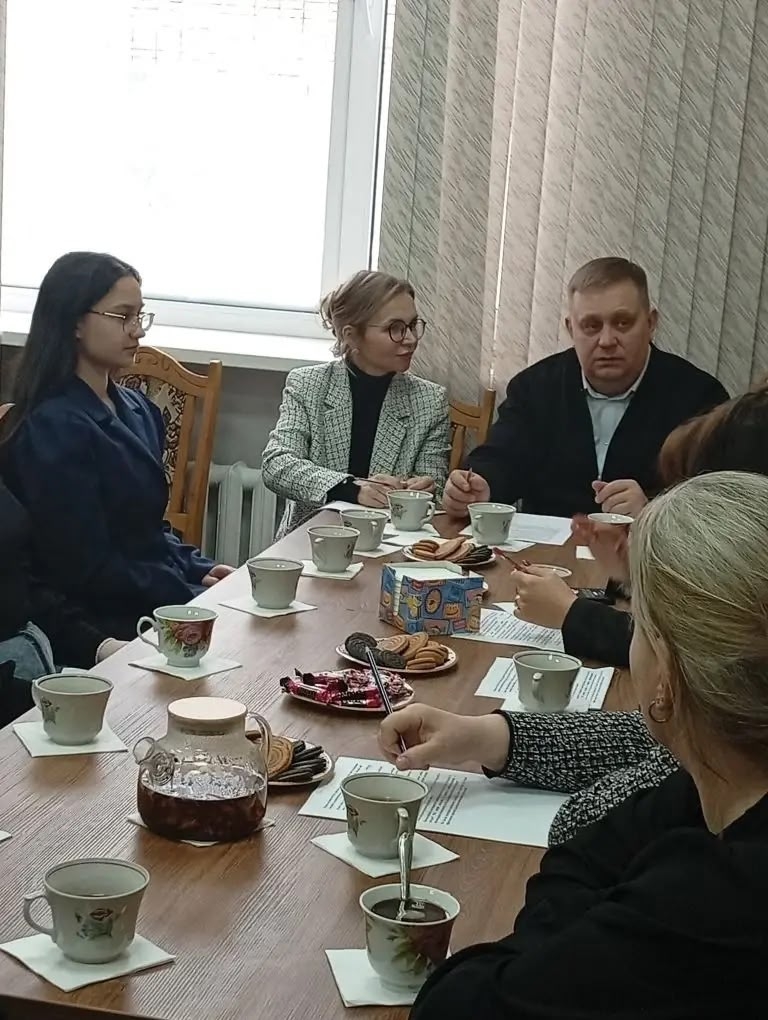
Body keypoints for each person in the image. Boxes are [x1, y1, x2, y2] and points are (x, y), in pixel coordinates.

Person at [385, 472, 768, 1019]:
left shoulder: (705, 903)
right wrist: (493, 736)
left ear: (666, 671)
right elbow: (647, 749)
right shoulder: (718, 774)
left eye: (635, 622)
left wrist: (562, 916)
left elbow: (456, 1004)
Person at [0, 252, 232, 646]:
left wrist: (198, 567)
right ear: (75, 321)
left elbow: (146, 530)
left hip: (146, 592)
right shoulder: (52, 425)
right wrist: (183, 588)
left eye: (140, 316)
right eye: (123, 316)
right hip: (103, 618)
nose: (137, 331)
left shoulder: (138, 407)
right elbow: (82, 566)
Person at [443, 256, 728, 519]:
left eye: (622, 323)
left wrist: (654, 509)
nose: (607, 340)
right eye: (591, 326)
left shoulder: (699, 397)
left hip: (646, 550)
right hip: (547, 551)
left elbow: (718, 501)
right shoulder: (534, 387)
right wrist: (481, 486)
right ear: (571, 329)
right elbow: (502, 459)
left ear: (651, 323)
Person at [262, 270, 450, 535]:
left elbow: (436, 489)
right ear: (351, 335)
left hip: (390, 542)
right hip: (311, 539)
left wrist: (420, 489)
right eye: (395, 328)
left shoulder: (430, 400)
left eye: (412, 325)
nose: (410, 339)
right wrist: (350, 489)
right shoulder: (308, 385)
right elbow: (276, 464)